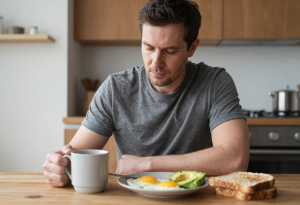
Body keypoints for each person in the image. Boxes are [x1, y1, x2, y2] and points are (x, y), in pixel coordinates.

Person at [43, 0, 249, 187]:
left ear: (192, 47)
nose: (156, 63)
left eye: (170, 51)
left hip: (197, 199)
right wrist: (61, 164)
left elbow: (235, 158)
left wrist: (148, 164)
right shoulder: (115, 89)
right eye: (148, 47)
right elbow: (77, 154)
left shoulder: (215, 83)